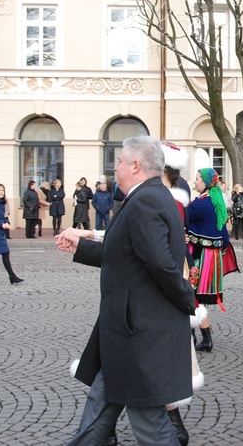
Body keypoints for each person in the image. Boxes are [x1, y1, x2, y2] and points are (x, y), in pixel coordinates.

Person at [57, 136, 196, 446]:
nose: (115, 167)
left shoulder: (146, 200)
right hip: (126, 329)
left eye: (119, 161)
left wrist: (187, 298)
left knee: (150, 424)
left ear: (135, 165)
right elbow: (127, 253)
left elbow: (160, 264)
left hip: (139, 331)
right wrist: (82, 247)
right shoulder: (146, 196)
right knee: (100, 404)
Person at [188, 168, 239, 352]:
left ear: (205, 182)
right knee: (197, 298)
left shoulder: (201, 204)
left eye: (197, 179)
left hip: (199, 256)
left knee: (189, 295)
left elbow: (181, 217)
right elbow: (224, 238)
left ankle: (191, 337)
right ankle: (206, 339)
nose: (194, 182)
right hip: (212, 257)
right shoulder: (215, 202)